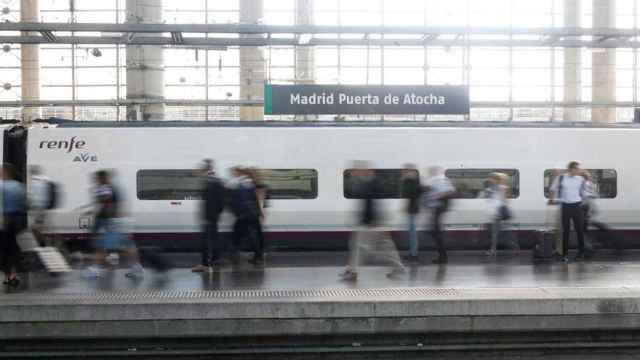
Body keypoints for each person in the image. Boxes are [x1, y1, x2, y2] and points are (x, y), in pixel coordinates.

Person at [339, 161, 405, 281]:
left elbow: (374, 205)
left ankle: (352, 272)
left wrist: (375, 222)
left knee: (359, 247)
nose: (355, 172)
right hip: (373, 222)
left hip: (371, 223)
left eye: (357, 170)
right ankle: (398, 267)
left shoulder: (371, 184)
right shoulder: (368, 183)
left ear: (365, 171)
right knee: (385, 247)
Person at [84, 170, 144, 278]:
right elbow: (110, 204)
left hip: (110, 222)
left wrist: (103, 219)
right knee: (127, 246)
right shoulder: (112, 188)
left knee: (102, 246)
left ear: (102, 178)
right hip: (117, 222)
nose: (95, 181)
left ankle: (95, 270)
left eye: (97, 179)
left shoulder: (105, 188)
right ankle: (137, 267)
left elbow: (106, 204)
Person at [192, 160, 226, 272]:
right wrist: (217, 214)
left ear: (205, 169)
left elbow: (213, 201)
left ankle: (205, 265)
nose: (198, 171)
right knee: (214, 239)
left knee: (205, 241)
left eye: (200, 169)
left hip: (209, 217)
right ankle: (216, 259)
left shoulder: (210, 181)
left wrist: (209, 216)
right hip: (213, 217)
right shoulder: (217, 180)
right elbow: (221, 201)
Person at [549, 161, 587, 262]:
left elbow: (583, 192)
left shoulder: (580, 179)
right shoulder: (561, 178)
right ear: (571, 169)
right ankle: (564, 254)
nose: (579, 171)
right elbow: (552, 189)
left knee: (579, 230)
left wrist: (583, 201)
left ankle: (581, 253)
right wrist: (552, 199)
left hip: (577, 206)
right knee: (565, 231)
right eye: (577, 169)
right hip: (565, 206)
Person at [0, 164, 27, 287]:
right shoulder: (20, 186)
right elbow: (25, 205)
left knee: (5, 249)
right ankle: (14, 273)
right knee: (12, 246)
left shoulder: (2, 186)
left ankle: (9, 275)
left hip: (4, 220)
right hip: (18, 221)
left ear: (5, 173)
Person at [423, 166, 456, 264]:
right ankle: (442, 257)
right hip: (437, 209)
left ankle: (443, 257)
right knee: (434, 231)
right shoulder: (440, 180)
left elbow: (449, 191)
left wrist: (436, 196)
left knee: (435, 232)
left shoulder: (439, 180)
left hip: (438, 208)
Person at [229, 166, 261, 265]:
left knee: (245, 235)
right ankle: (256, 256)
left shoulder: (243, 184)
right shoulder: (249, 183)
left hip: (245, 214)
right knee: (248, 235)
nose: (232, 174)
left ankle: (255, 256)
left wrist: (238, 213)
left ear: (240, 173)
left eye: (233, 172)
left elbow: (242, 201)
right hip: (251, 214)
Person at [28, 166, 55, 247]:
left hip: (37, 208)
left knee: (36, 228)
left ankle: (42, 244)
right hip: (45, 207)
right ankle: (45, 243)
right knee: (41, 227)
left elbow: (32, 196)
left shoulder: (34, 181)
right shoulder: (46, 180)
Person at [484, 172, 509, 257]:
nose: (490, 180)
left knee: (495, 233)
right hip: (494, 213)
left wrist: (499, 212)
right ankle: (516, 247)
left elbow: (503, 200)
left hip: (498, 213)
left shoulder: (501, 188)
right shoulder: (493, 188)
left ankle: (493, 251)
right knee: (501, 232)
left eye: (492, 178)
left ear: (496, 180)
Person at [401, 164, 421, 263]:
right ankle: (413, 253)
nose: (403, 173)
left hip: (412, 210)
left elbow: (407, 194)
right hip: (413, 209)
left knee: (412, 234)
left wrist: (405, 180)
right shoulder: (415, 182)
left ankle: (414, 254)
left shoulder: (411, 182)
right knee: (412, 233)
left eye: (405, 171)